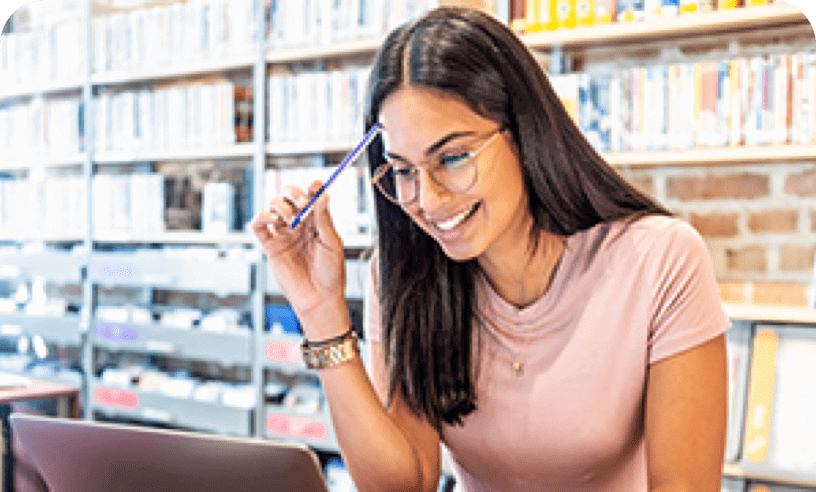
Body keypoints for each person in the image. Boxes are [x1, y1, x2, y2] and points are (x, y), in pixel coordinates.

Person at [252, 6, 729, 492]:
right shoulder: (404, 276)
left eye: (453, 157)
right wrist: (321, 315)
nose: (428, 200)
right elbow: (402, 485)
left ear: (523, 134)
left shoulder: (660, 259)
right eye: (403, 170)